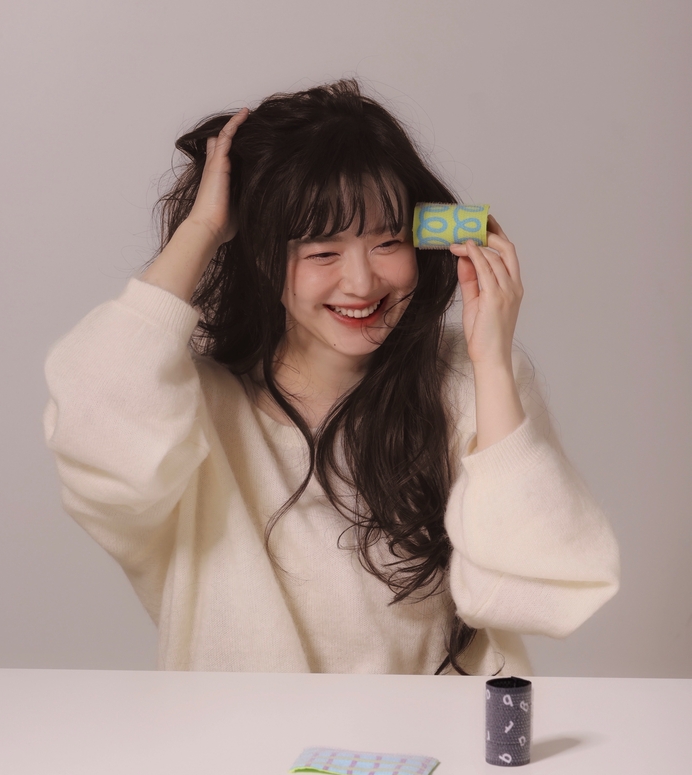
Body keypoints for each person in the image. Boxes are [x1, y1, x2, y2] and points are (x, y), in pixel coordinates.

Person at [43, 79, 619, 676]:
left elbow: (536, 587)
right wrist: (201, 230)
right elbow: (93, 437)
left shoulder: (467, 381)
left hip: (437, 734)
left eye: (388, 242)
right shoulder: (194, 410)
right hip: (240, 734)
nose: (362, 283)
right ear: (262, 256)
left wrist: (492, 362)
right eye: (322, 252)